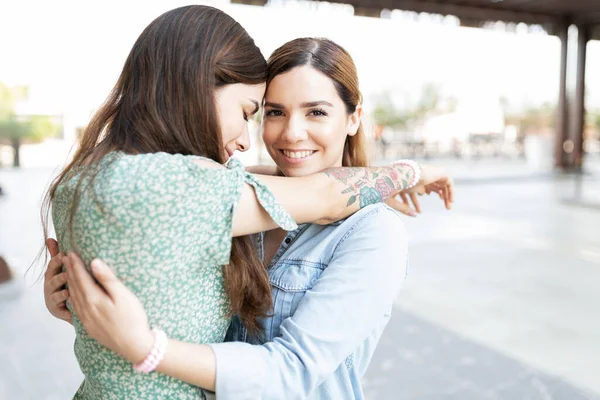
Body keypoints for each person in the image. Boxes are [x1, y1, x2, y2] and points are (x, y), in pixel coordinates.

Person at [44, 25, 453, 400]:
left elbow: (292, 371)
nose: (291, 132)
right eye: (271, 112)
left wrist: (146, 348)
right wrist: (96, 310)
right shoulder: (233, 198)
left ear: (354, 118)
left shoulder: (372, 234)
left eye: (317, 112)